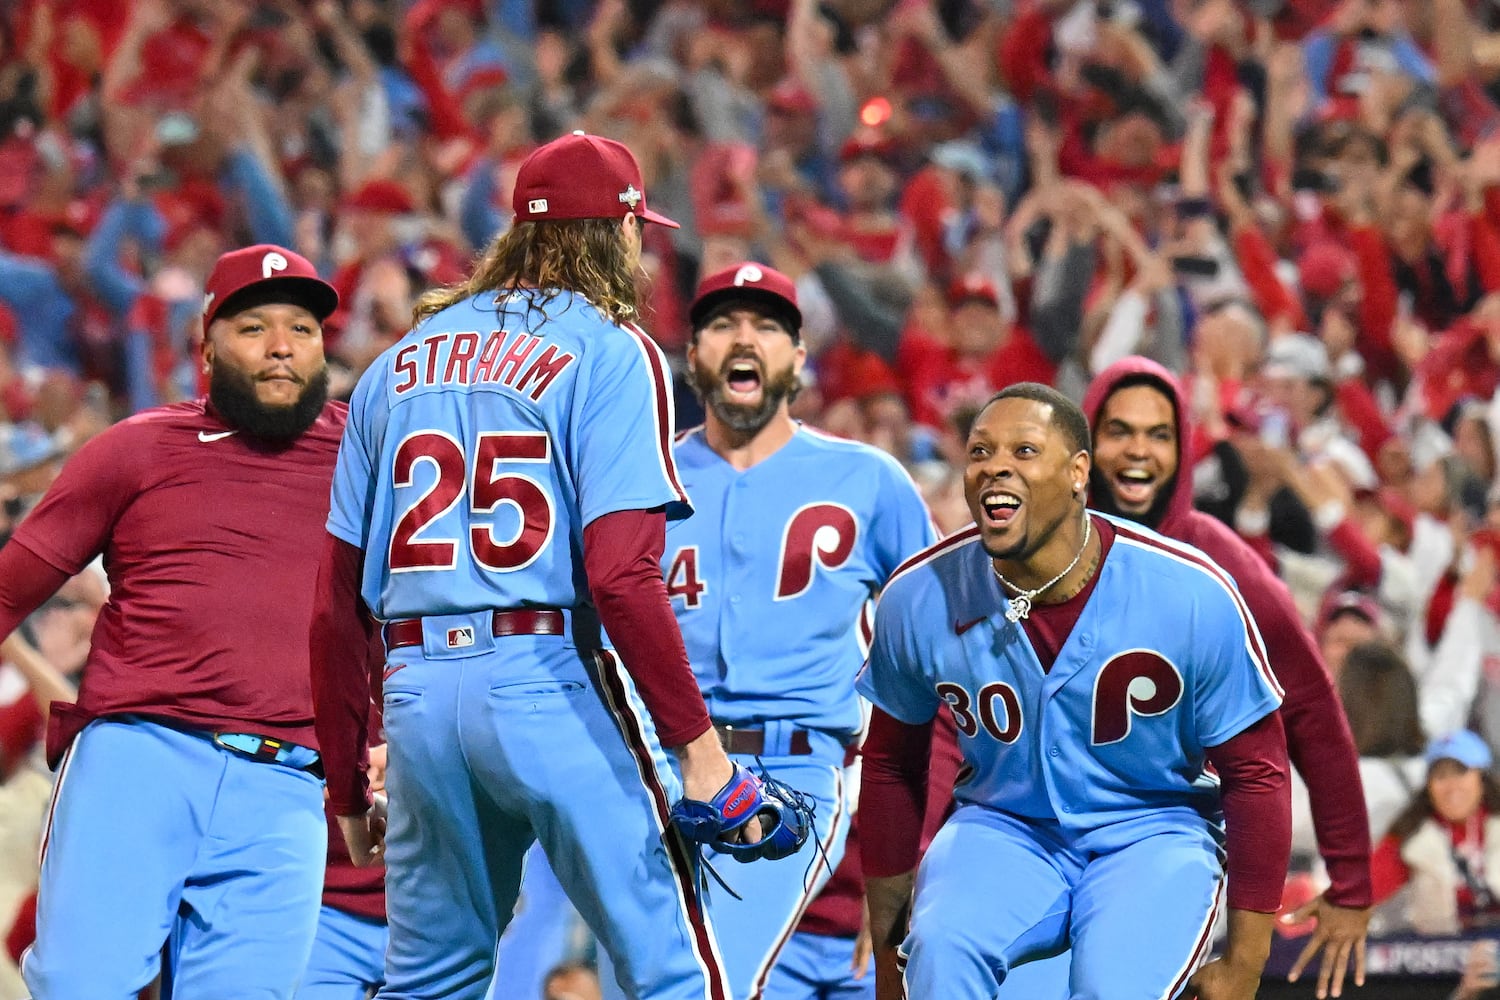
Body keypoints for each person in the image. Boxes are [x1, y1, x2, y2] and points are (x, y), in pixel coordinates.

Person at [311, 130, 747, 1000]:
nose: (642, 248)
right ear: (608, 235)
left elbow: (333, 607)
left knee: (429, 980)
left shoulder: (392, 366)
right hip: (545, 673)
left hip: (418, 698)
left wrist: (347, 783)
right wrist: (700, 751)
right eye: (635, 229)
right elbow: (623, 574)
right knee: (671, 973)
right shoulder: (613, 347)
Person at [857, 382, 1293, 1000]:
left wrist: (1247, 961)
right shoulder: (919, 594)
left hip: (1155, 830)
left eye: (1025, 450)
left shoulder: (1189, 591)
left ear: (1078, 472)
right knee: (941, 951)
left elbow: (1258, 775)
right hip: (1002, 824)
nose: (996, 466)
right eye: (980, 452)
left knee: (1111, 988)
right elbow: (890, 765)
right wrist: (886, 949)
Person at [0, 244, 345, 997]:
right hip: (140, 759)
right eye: (254, 328)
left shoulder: (363, 456)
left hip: (286, 788)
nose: (283, 346)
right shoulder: (135, 449)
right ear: (206, 344)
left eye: (303, 328)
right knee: (78, 987)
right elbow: (8, 590)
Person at [667, 262, 936, 998]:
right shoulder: (643, 480)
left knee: (704, 981)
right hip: (660, 776)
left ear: (799, 358)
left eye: (766, 327)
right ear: (693, 357)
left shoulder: (870, 480)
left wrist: (913, 858)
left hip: (799, 772)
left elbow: (944, 668)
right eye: (722, 325)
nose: (743, 339)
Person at [1081, 355, 1374, 996]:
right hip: (1046, 836)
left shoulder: (1222, 561)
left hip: (1168, 838)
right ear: (1086, 442)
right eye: (1119, 431)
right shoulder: (1043, 549)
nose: (1138, 452)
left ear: (1184, 449)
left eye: (1159, 435)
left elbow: (1314, 713)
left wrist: (1350, 881)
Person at [1370, 730, 1500, 936]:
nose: (1451, 786)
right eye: (1440, 775)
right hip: (1438, 955)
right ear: (1429, 786)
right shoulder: (1411, 834)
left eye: (1460, 771)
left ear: (1482, 778)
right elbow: (1363, 891)